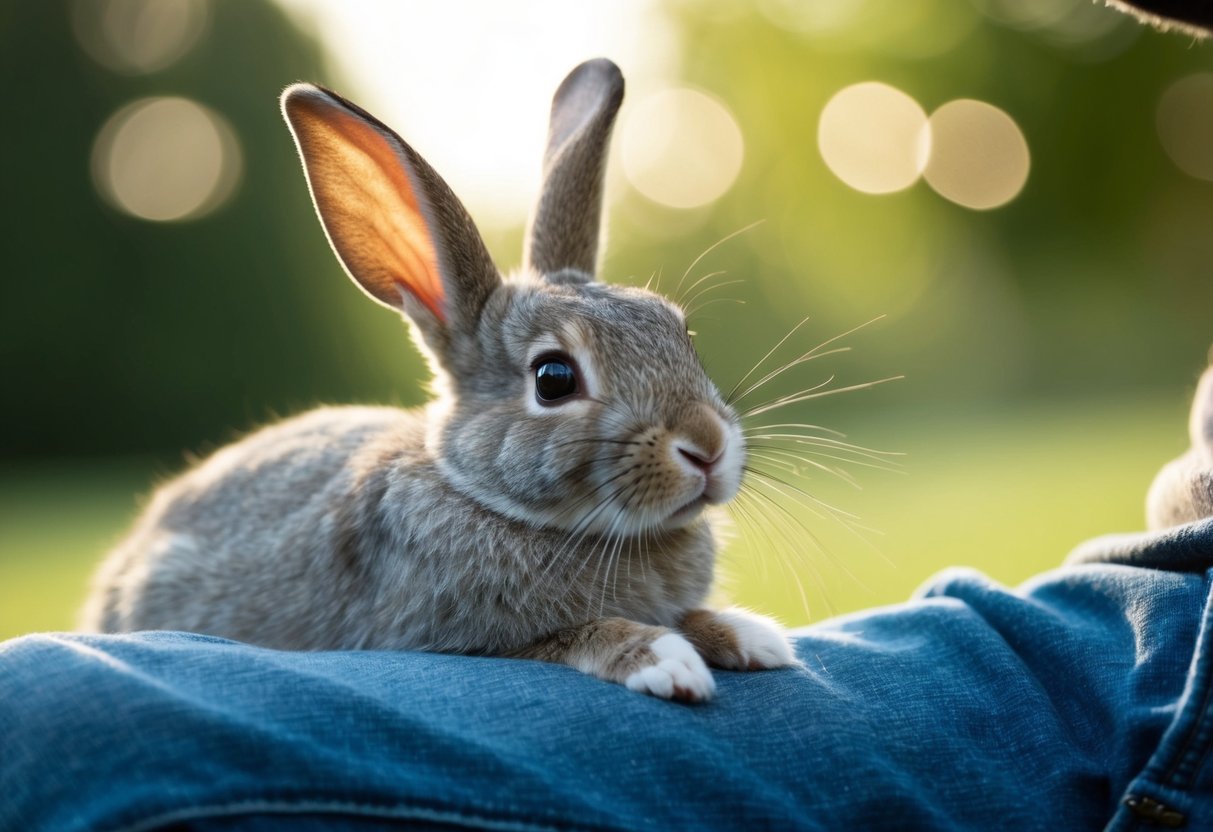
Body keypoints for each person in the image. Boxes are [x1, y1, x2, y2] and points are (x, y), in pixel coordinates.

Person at [4, 4, 1210, 830]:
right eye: (561, 381)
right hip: (184, 612)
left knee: (55, 749)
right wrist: (587, 638)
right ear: (471, 374)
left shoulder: (658, 508)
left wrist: (671, 609)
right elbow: (425, 644)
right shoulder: (431, 522)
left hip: (1163, 677)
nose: (695, 438)